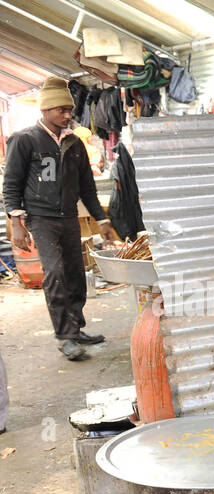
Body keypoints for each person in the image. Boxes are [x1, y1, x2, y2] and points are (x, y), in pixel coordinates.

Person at [3, 76, 117, 361]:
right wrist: (16, 222)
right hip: (41, 218)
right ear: (45, 110)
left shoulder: (75, 143)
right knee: (54, 274)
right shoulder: (25, 139)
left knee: (76, 273)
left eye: (70, 110)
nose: (68, 115)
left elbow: (87, 187)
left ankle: (76, 327)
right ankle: (65, 336)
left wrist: (102, 220)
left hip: (68, 217)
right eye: (61, 110)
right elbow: (12, 183)